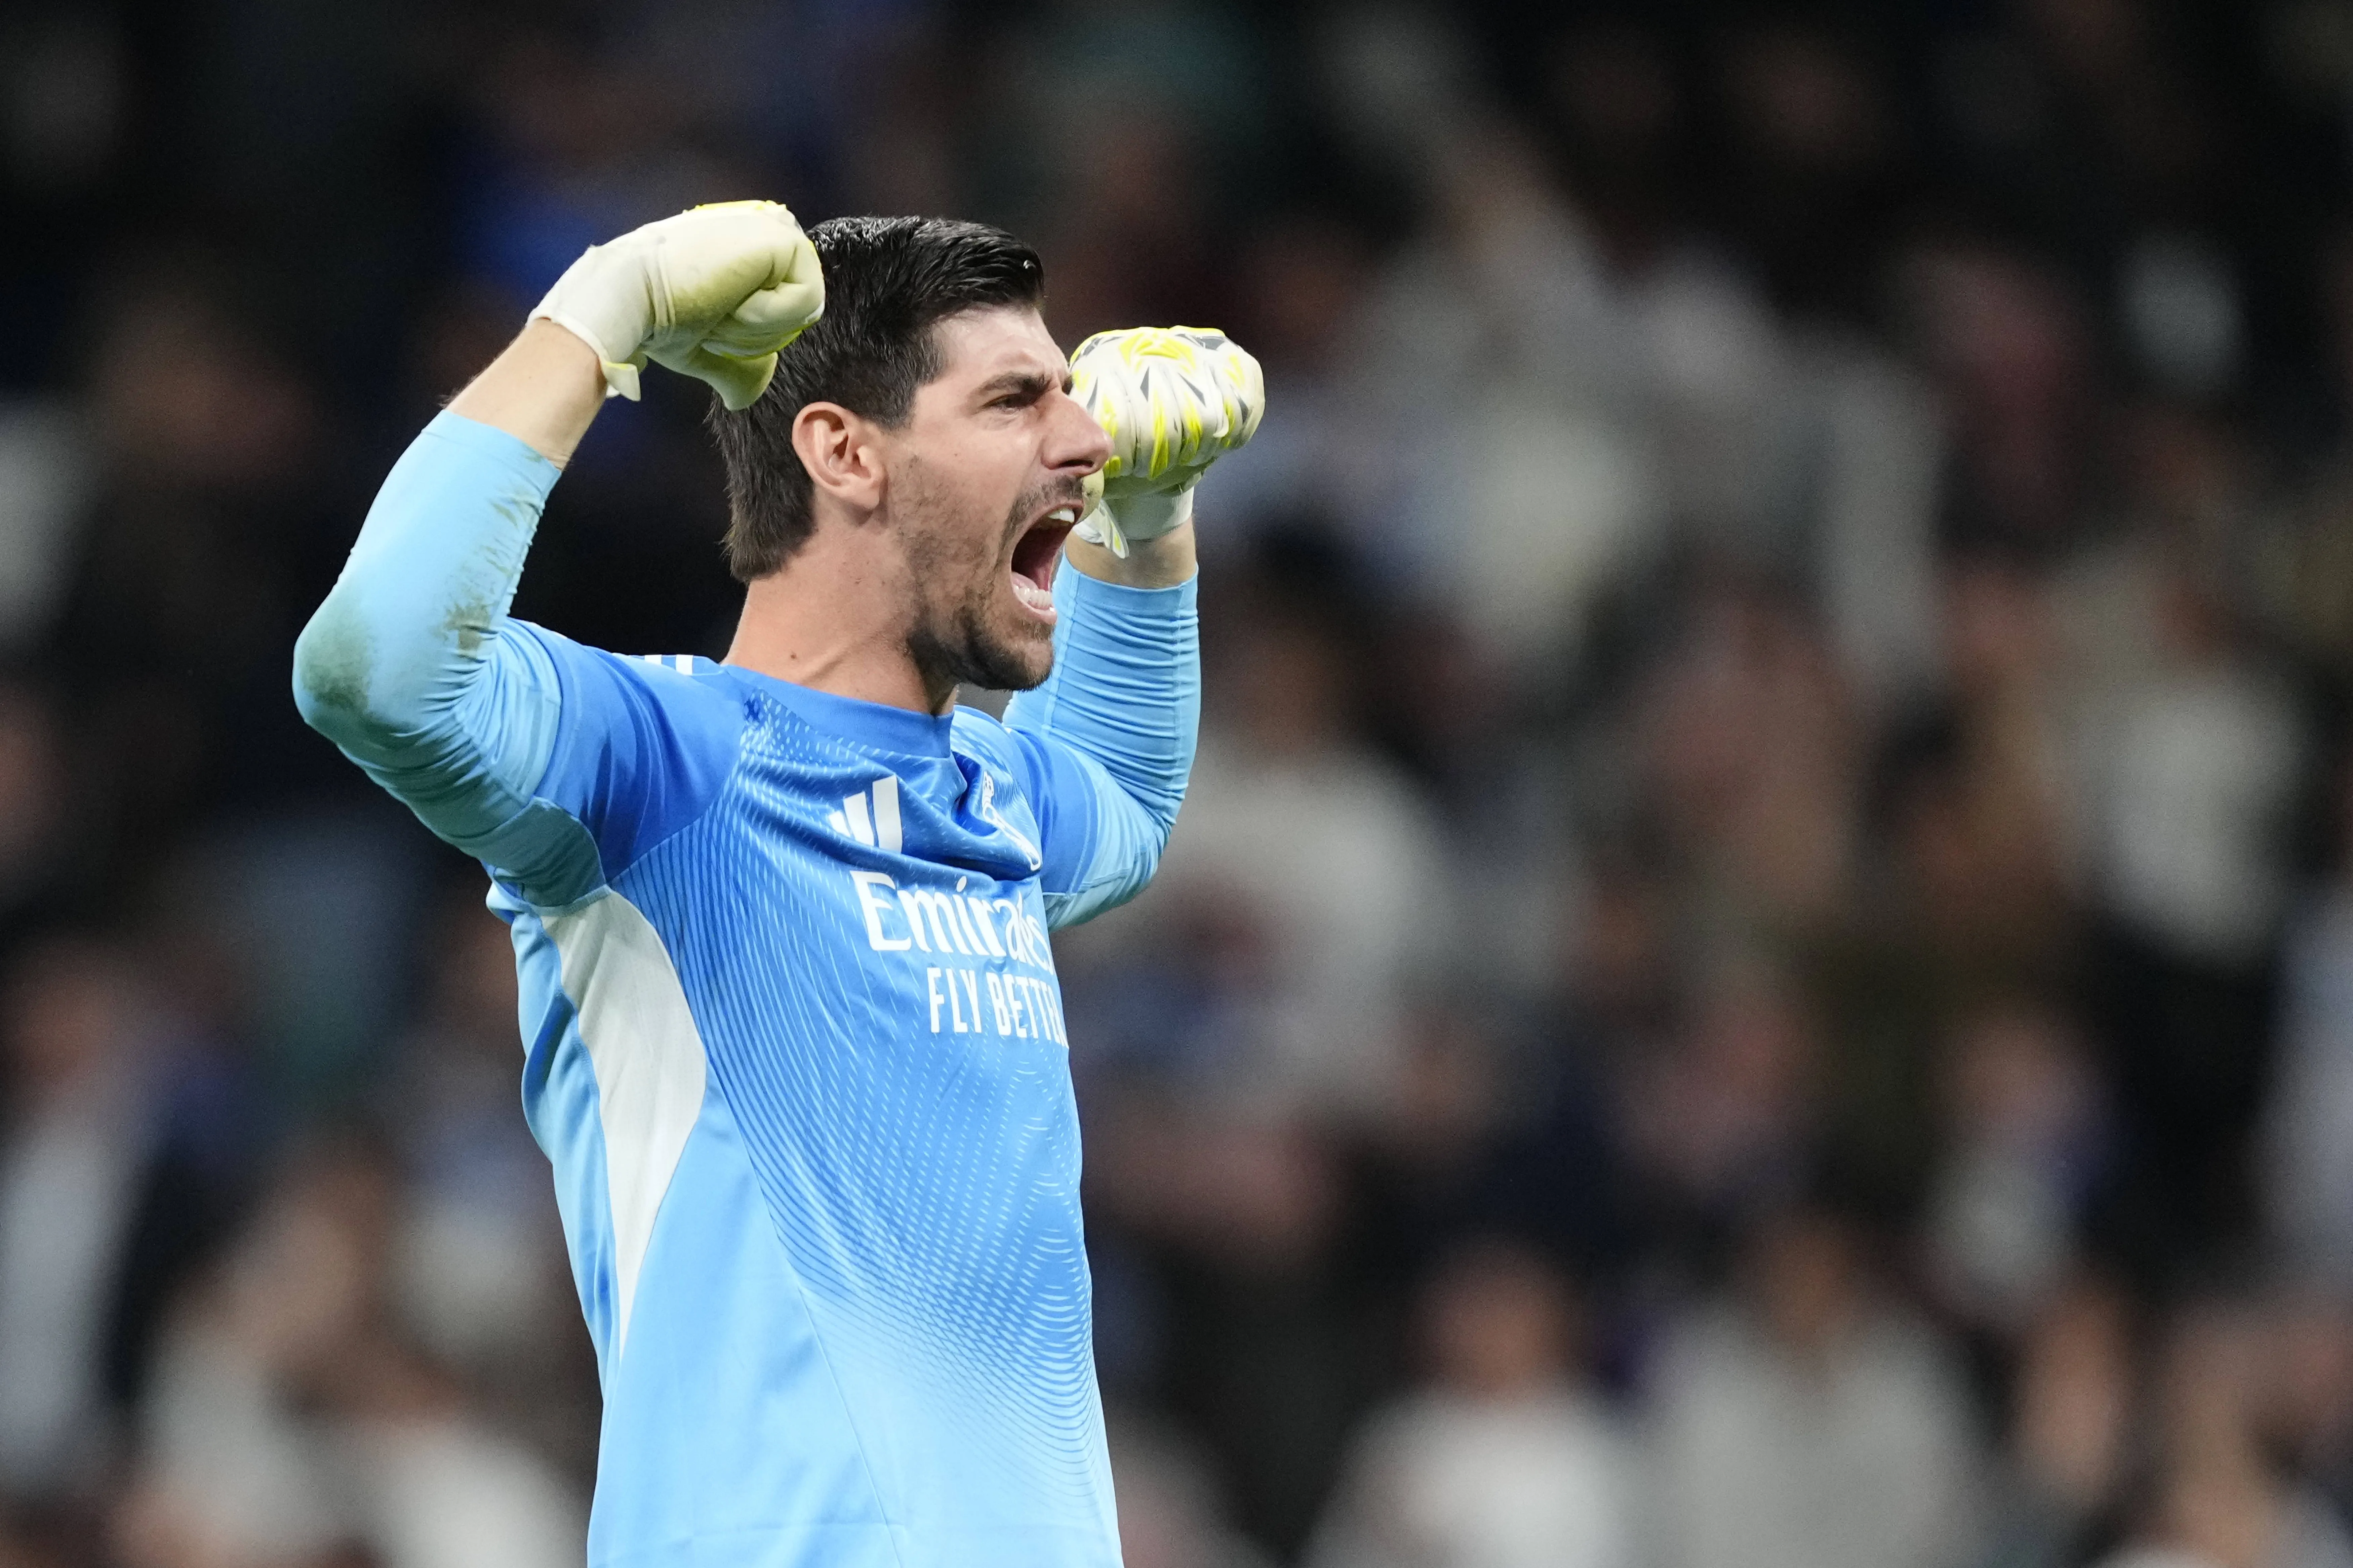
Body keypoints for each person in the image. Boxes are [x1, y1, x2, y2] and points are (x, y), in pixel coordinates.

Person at [291, 201, 1262, 1568]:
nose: (1086, 437)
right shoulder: (663, 765)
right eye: (1014, 400)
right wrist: (596, 314)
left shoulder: (986, 796)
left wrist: (1149, 519)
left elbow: (1122, 798)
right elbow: (375, 667)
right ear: (842, 449)